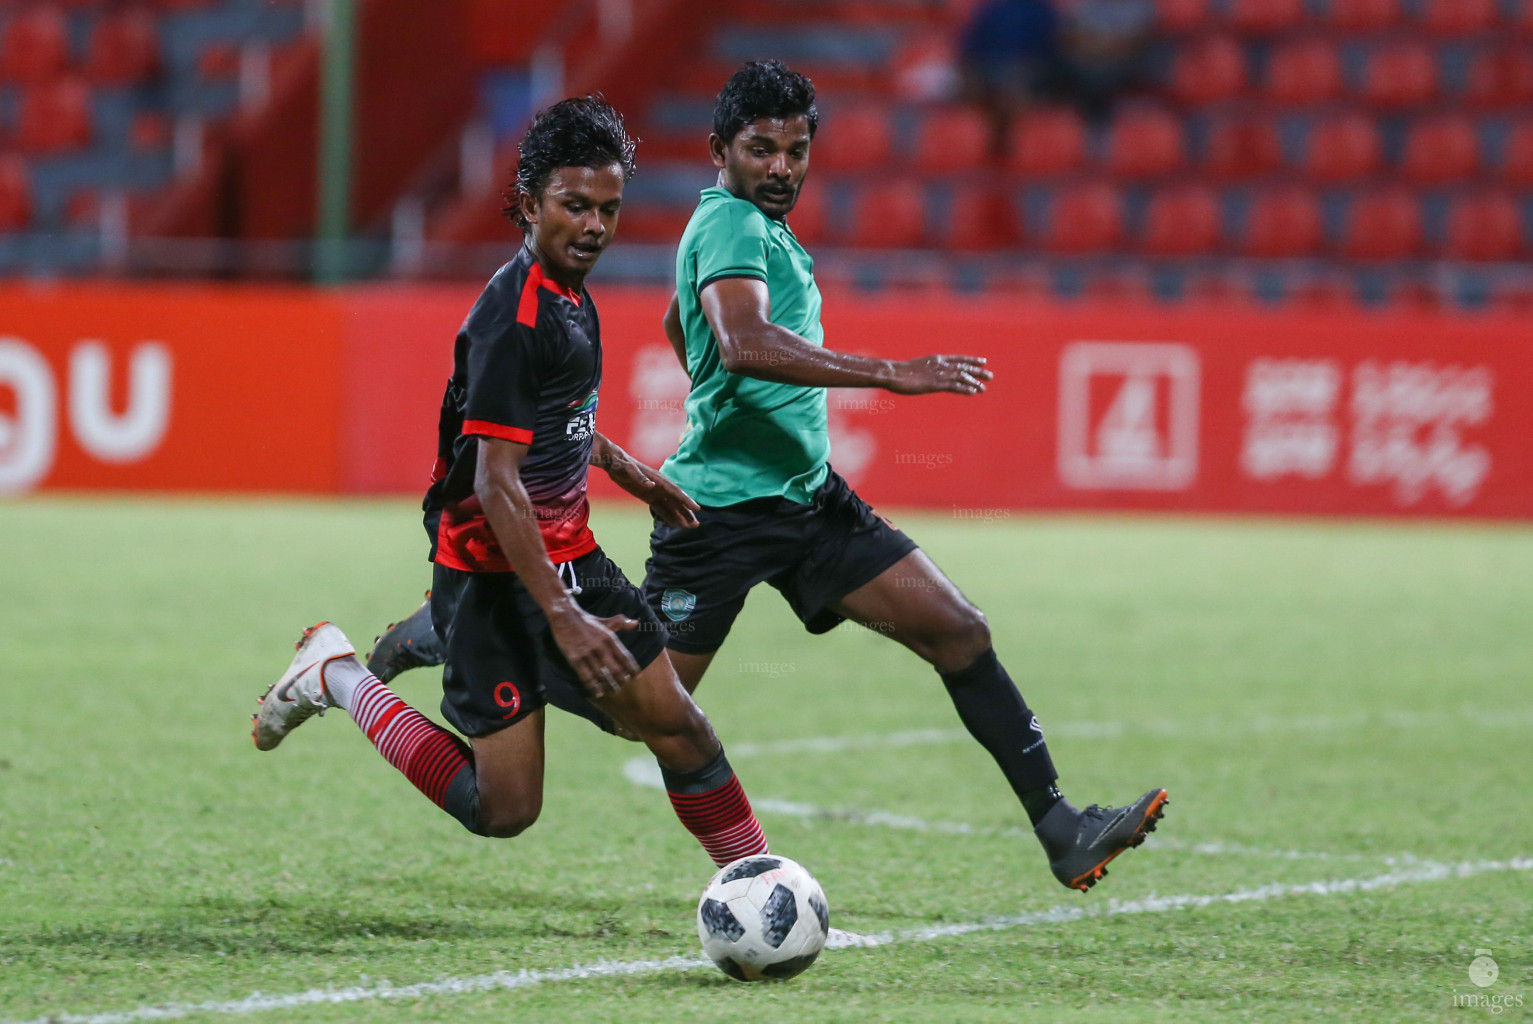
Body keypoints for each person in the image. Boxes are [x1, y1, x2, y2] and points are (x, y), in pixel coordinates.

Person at [370, 63, 1168, 893]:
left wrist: (714, 398)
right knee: (639, 711)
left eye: (797, 149)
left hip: (809, 497)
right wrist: (889, 373)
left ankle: (1060, 828)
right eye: (762, 150)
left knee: (957, 629)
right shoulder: (727, 228)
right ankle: (452, 631)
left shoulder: (751, 230)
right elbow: (743, 340)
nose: (782, 166)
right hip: (722, 515)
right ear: (721, 151)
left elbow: (688, 325)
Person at [252, 96, 770, 870]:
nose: (593, 226)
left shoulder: (571, 298)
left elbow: (555, 423)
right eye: (573, 207)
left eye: (608, 208)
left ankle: (756, 880)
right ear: (528, 205)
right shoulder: (513, 319)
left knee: (673, 725)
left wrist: (632, 472)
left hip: (566, 556)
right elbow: (497, 483)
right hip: (488, 573)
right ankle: (337, 673)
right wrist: (560, 616)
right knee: (505, 810)